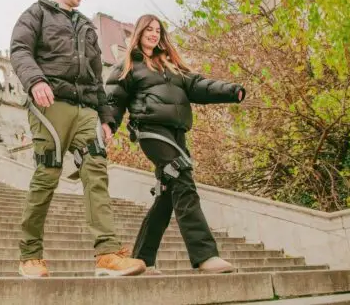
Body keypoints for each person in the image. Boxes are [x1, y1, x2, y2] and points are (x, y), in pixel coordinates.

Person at [9, 0, 146, 278]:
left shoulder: (86, 26)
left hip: (86, 109)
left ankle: (108, 254)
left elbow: (96, 78)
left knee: (96, 169)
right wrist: (35, 81)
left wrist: (107, 118)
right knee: (47, 174)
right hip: (50, 102)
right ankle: (30, 256)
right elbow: (19, 49)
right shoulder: (37, 13)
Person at [105, 14, 246, 274]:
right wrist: (108, 125)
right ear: (139, 33)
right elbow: (114, 99)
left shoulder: (171, 65)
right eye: (148, 29)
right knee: (182, 178)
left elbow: (198, 85)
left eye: (157, 30)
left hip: (177, 133)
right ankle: (205, 255)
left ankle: (143, 259)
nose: (153, 34)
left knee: (167, 193)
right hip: (151, 131)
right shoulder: (129, 66)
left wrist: (230, 91)